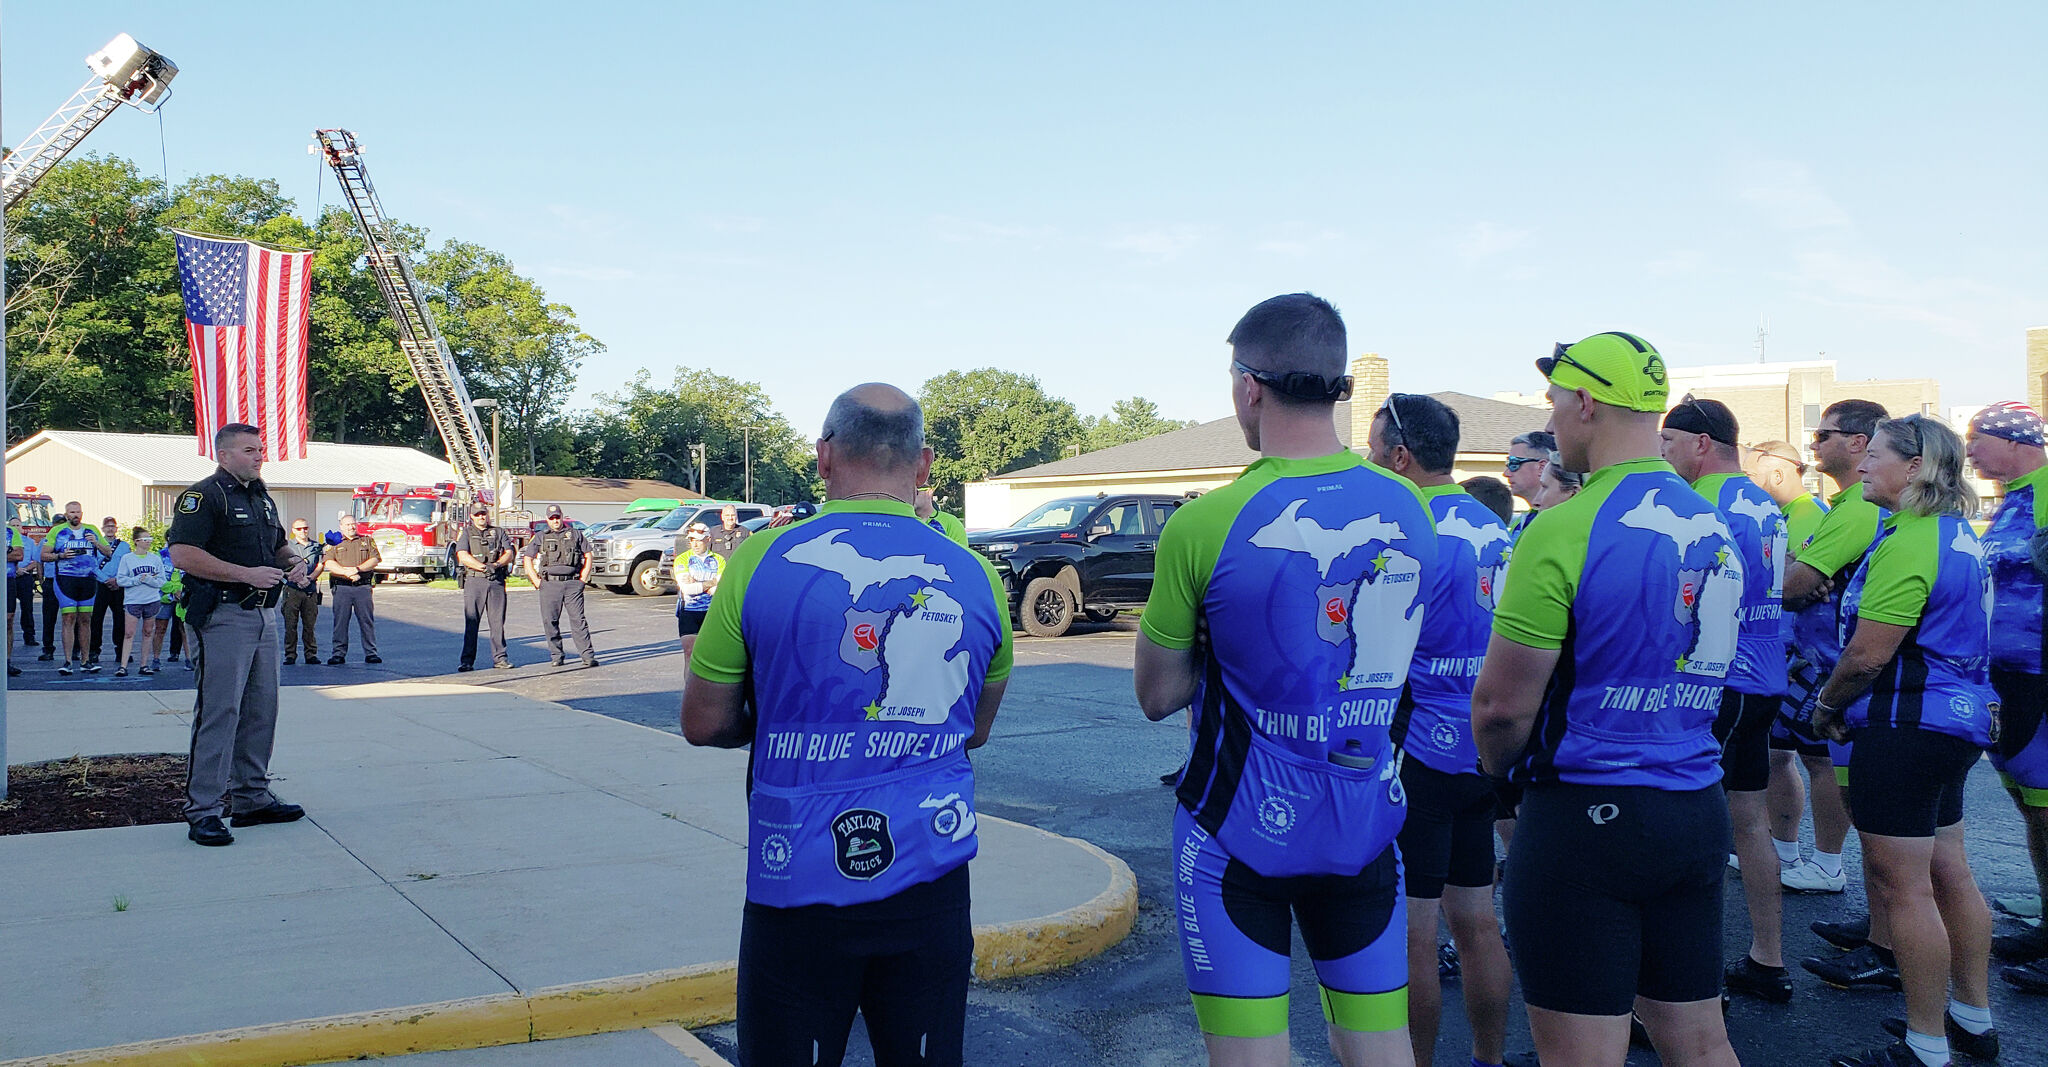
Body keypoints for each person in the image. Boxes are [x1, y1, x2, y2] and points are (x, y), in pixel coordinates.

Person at [1135, 293, 1434, 1067]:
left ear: (1247, 385)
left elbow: (1157, 695)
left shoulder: (1207, 521)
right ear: (1337, 382)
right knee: (1379, 1048)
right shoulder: (1410, 507)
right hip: (1365, 822)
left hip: (1234, 832)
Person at [683, 383, 1011, 1067]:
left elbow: (703, 721)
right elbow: (973, 729)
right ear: (923, 465)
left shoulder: (758, 560)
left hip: (795, 875)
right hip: (931, 871)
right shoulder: (978, 577)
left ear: (823, 457)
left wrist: (774, 718)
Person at [1471, 331, 1742, 1067]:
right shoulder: (1710, 519)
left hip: (1585, 816)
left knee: (1582, 1053)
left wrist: (1500, 779)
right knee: (1699, 1038)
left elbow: (1500, 709)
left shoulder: (1563, 527)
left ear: (1587, 401)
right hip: (1694, 804)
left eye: (1555, 399)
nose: (1553, 416)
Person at [1809, 415, 1997, 1067]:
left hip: (1907, 723)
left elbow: (1866, 654)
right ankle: (1971, 1019)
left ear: (1915, 466)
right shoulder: (1954, 534)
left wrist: (1826, 705)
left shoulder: (1912, 540)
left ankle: (1927, 1044)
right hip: (1954, 720)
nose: (1861, 465)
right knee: (1949, 869)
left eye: (1876, 456)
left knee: (1906, 886)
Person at [1366, 392, 1516, 1067]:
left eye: (1374, 452)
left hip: (1418, 752)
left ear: (1402, 455)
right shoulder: (1492, 527)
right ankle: (1488, 1057)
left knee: (1414, 933)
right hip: (1484, 748)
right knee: (1479, 920)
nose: (1371, 463)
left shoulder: (1406, 529)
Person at [1661, 395, 1796, 1003]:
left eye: (1668, 442)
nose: (1663, 454)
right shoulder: (1763, 500)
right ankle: (1767, 958)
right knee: (1748, 822)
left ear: (1701, 443)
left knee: (1692, 825)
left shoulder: (1705, 504)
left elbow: (1684, 600)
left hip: (1721, 681)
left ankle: (1689, 978)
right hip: (1764, 675)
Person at [1788, 400, 1895, 988]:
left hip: (1852, 680)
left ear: (1857, 443)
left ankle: (1890, 945)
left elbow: (1800, 582)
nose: (1813, 444)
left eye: (1822, 434)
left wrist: (1796, 578)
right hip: (1844, 676)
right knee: (1870, 815)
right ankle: (1882, 928)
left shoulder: (1858, 509)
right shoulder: (1848, 505)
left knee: (1881, 823)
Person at [167, 423, 310, 847]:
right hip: (223, 615)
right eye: (249, 450)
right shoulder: (204, 496)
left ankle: (251, 798)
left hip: (265, 616)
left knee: (262, 710)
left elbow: (278, 546)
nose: (259, 456)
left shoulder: (261, 497)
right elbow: (183, 554)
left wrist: (293, 561)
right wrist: (245, 574)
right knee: (220, 711)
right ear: (224, 455)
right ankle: (204, 810)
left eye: (260, 449)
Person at [1960, 402, 2048, 991]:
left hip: (2038, 674)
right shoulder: (2015, 497)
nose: (1968, 452)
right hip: (2008, 678)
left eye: (1977, 439)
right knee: (2031, 807)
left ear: (2017, 442)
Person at [1746, 438, 1853, 893]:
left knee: (1817, 759)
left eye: (1751, 475)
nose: (1745, 484)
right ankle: (1786, 849)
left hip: (1813, 657)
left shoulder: (1811, 516)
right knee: (1776, 754)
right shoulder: (1784, 516)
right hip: (1788, 656)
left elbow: (1802, 585)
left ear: (1776, 473)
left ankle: (1828, 863)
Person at [522, 505, 598, 667]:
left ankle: (587, 655)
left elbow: (588, 554)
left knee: (578, 620)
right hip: (549, 584)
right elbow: (527, 558)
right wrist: (536, 580)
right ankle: (557, 655)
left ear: (562, 517)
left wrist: (583, 578)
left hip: (572, 583)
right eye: (552, 518)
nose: (555, 521)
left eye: (557, 517)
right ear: (548, 519)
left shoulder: (575, 534)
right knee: (550, 621)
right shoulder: (541, 536)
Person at [44, 501, 108, 675]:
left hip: (87, 580)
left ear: (82, 513)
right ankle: (67, 661)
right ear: (66, 514)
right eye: (72, 512)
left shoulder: (91, 529)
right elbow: (44, 555)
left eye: (78, 512)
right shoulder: (57, 531)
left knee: (86, 619)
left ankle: (85, 660)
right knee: (68, 617)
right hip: (66, 579)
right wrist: (61, 555)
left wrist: (96, 543)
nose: (75, 515)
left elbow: (108, 552)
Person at [455, 504, 516, 671]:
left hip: (495, 580)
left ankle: (500, 659)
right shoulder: (467, 533)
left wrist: (496, 565)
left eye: (484, 514)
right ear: (472, 517)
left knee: (497, 622)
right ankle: (467, 661)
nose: (482, 517)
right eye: (478, 514)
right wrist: (482, 567)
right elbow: (462, 555)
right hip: (475, 581)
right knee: (472, 622)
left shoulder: (498, 531)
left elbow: (509, 553)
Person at [323, 513, 382, 665]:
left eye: (353, 524)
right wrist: (346, 572)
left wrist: (357, 569)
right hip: (342, 587)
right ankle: (338, 654)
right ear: (341, 527)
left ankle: (371, 652)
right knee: (340, 622)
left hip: (362, 587)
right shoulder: (334, 543)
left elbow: (375, 559)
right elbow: (328, 563)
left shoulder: (367, 540)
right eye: (347, 525)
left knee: (366, 621)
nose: (351, 527)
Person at [114, 527, 167, 676]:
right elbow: (121, 579)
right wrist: (135, 580)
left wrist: (150, 580)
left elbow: (161, 581)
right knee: (129, 633)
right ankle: (123, 665)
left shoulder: (155, 559)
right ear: (137, 541)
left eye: (150, 539)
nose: (148, 542)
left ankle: (144, 664)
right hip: (133, 600)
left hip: (151, 599)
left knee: (148, 632)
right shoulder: (127, 559)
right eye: (146, 539)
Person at [673, 522, 721, 665]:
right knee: (690, 653)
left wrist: (697, 581)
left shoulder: (719, 560)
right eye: (692, 540)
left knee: (712, 655)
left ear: (708, 539)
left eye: (698, 540)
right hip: (689, 611)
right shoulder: (682, 559)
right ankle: (689, 687)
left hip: (711, 612)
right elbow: (687, 589)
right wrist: (711, 582)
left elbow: (719, 590)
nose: (694, 544)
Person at [281, 518, 323, 665]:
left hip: (310, 590)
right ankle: (290, 654)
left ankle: (311, 654)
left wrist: (310, 578)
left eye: (305, 528)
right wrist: (298, 579)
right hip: (292, 589)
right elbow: (282, 568)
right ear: (293, 530)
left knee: (309, 624)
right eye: (299, 529)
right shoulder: (287, 547)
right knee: (290, 624)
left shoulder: (316, 546)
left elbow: (320, 565)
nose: (303, 531)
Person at [89, 515, 130, 664]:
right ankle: (94, 651)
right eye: (107, 526)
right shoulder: (95, 544)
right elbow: (92, 564)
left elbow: (127, 564)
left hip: (119, 585)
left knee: (120, 619)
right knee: (96, 619)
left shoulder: (124, 546)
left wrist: (117, 580)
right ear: (102, 529)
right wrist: (105, 579)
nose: (110, 529)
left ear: (116, 528)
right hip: (101, 584)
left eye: (112, 526)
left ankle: (121, 651)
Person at [1504, 430, 1555, 541]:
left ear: (1542, 467)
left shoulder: (1560, 520)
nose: (1506, 473)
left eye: (1514, 463)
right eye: (1507, 464)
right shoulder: (1520, 523)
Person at [6, 523, 28, 676]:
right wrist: (7, 552)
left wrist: (11, 553)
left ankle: (6, 661)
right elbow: (12, 555)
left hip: (7, 579)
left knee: (8, 619)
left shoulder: (11, 531)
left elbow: (19, 555)